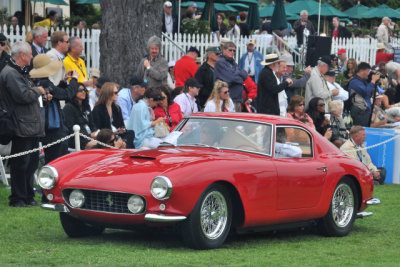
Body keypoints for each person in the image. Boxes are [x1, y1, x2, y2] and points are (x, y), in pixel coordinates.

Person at [0, 42, 46, 207]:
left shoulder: (19, 72)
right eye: (30, 54)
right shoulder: (11, 73)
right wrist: (39, 91)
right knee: (21, 163)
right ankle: (18, 198)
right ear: (22, 56)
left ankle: (27, 195)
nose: (32, 57)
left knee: (31, 162)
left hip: (29, 124)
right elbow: (23, 96)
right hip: (21, 125)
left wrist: (40, 93)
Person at [30, 54, 79, 168]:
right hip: (54, 131)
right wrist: (74, 80)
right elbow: (66, 94)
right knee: (57, 162)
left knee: (51, 160)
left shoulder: (37, 82)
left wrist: (63, 82)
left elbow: (56, 93)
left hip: (45, 128)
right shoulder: (45, 83)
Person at [214, 41, 248, 112]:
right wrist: (239, 78)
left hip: (236, 99)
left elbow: (245, 75)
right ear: (224, 50)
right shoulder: (220, 62)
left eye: (234, 51)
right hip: (227, 99)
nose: (232, 52)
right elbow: (231, 78)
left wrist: (236, 73)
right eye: (230, 50)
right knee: (230, 122)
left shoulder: (232, 62)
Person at [63, 83, 97, 150]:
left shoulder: (86, 106)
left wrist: (96, 133)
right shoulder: (68, 107)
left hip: (90, 136)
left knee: (112, 141)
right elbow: (71, 129)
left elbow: (92, 124)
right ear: (74, 91)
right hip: (77, 139)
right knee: (100, 145)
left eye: (84, 90)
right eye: (80, 90)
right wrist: (89, 136)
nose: (83, 92)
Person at [348, 62, 380, 126]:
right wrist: (373, 81)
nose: (368, 74)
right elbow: (366, 92)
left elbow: (370, 91)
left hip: (365, 111)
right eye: (368, 71)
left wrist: (372, 79)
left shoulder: (363, 81)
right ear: (362, 71)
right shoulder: (355, 82)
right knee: (361, 131)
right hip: (359, 111)